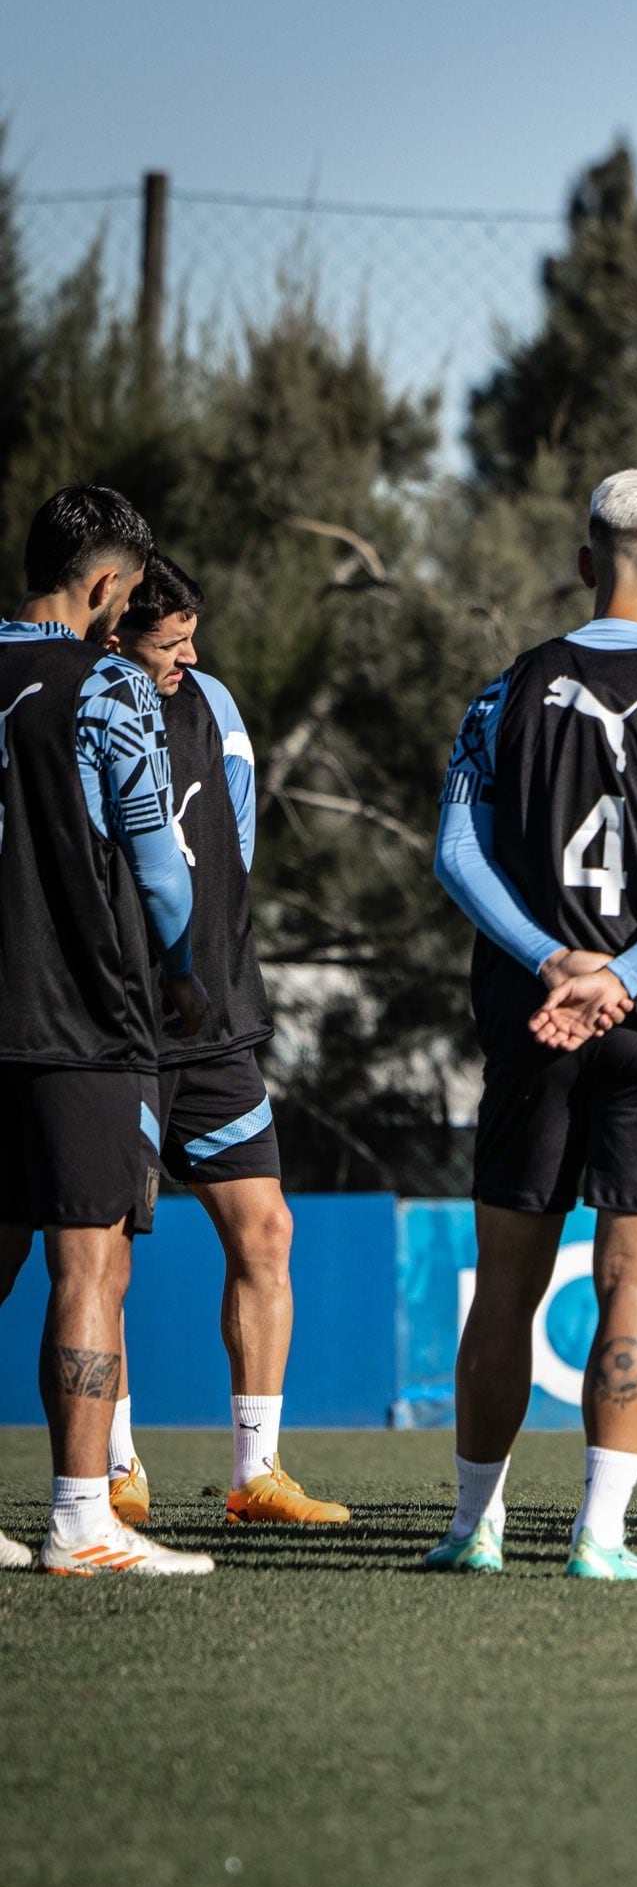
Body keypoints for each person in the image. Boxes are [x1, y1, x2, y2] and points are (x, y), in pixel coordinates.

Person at [428, 469, 637, 1579]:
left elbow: (455, 852)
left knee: (507, 1285)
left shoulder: (506, 691)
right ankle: (601, 1535)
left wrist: (552, 961)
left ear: (586, 566)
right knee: (634, 1285)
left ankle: (474, 1525)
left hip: (536, 1019)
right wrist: (623, 976)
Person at [103, 554, 348, 1529]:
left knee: (267, 1230)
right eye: (169, 641)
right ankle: (114, 1468)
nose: (188, 656)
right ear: (113, 632)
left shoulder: (212, 703)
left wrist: (206, 962)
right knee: (101, 1255)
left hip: (209, 1019)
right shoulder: (83, 706)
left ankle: (257, 1475)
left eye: (191, 637)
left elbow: (235, 845)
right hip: (109, 1023)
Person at [0, 485, 213, 1576]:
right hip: (80, 1016)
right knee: (87, 1267)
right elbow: (159, 868)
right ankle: (83, 1518)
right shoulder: (105, 687)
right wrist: (179, 970)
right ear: (103, 585)